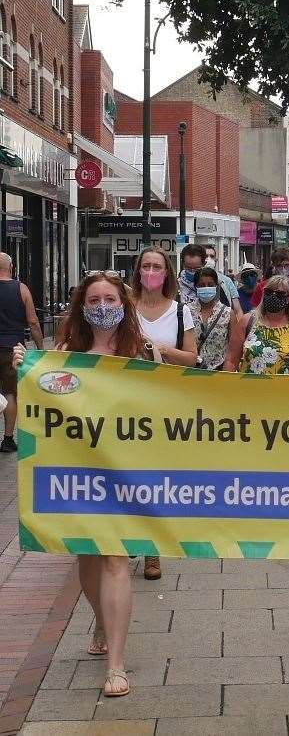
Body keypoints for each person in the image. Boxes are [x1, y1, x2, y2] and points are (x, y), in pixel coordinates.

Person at [13, 272, 153, 697]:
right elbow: (36, 410)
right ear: (83, 306)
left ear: (123, 304)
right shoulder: (63, 355)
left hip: (126, 473)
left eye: (110, 297)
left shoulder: (142, 353)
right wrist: (26, 370)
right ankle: (100, 616)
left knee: (114, 557)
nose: (103, 305)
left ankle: (116, 663)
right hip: (79, 474)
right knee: (88, 559)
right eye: (95, 299)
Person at [130, 248, 198, 581]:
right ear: (138, 271)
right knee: (126, 473)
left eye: (157, 266)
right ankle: (127, 534)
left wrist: (160, 350)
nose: (152, 271)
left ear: (167, 273)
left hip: (165, 405)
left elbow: (191, 358)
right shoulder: (125, 308)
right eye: (146, 266)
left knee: (153, 477)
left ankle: (152, 550)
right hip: (126, 403)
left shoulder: (181, 311)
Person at [226, 274, 289, 374]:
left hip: (286, 388)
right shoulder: (247, 321)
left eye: (280, 294)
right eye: (268, 292)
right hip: (250, 387)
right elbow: (231, 362)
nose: (273, 296)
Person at [0, 252, 43, 453]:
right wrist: (41, 349)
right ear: (12, 267)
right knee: (10, 393)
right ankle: (8, 439)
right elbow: (33, 322)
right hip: (13, 349)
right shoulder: (21, 289)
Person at [178, 243, 242, 317]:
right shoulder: (176, 286)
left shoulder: (219, 283)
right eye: (188, 268)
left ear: (204, 264)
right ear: (183, 264)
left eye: (196, 268)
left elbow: (235, 310)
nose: (192, 271)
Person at [188, 268, 233, 371]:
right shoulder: (186, 311)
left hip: (218, 373)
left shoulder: (228, 313)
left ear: (216, 287)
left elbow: (233, 349)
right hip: (190, 371)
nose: (206, 288)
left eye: (210, 284)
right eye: (201, 285)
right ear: (196, 287)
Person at [203, 244, 242, 316]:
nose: (208, 259)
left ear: (216, 260)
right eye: (205, 256)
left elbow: (238, 309)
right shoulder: (195, 279)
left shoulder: (226, 281)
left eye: (212, 256)